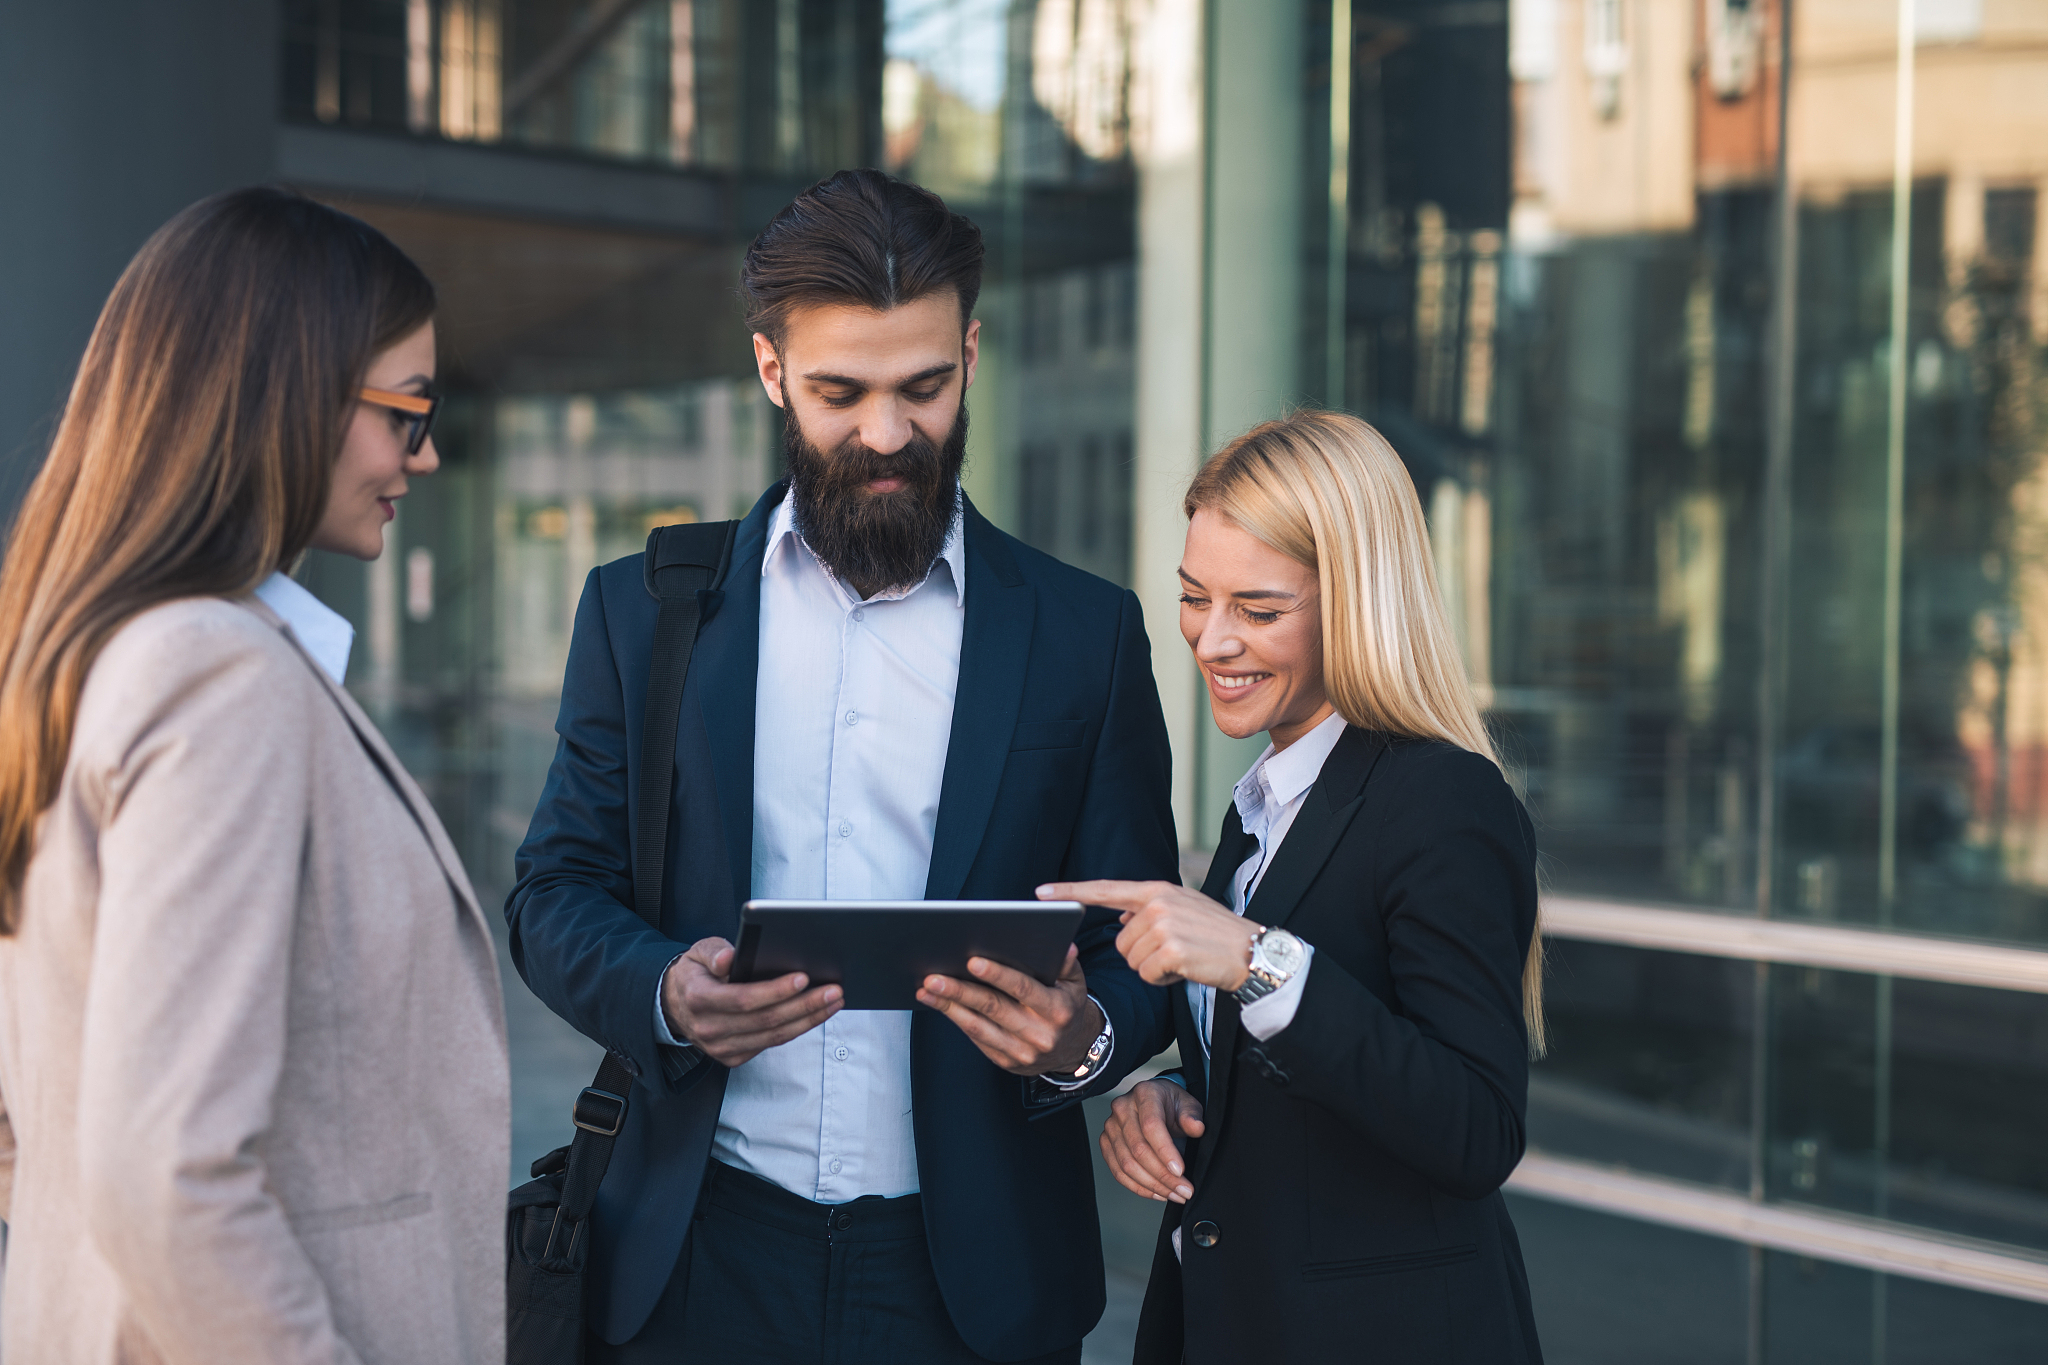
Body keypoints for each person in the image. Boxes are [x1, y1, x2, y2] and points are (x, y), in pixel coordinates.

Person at [505, 167, 1178, 1365]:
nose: (885, 434)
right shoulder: (643, 614)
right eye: (839, 393)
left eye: (923, 387)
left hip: (972, 1281)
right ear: (771, 371)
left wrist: (1079, 1041)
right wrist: (665, 993)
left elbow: (1142, 942)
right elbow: (553, 891)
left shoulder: (1086, 634)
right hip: (691, 1257)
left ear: (970, 355)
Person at [0, 188, 509, 1364]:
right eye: (408, 411)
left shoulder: (89, 657)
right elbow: (164, 1178)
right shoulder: (214, 674)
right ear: (285, 391)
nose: (425, 455)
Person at [1042, 410, 1547, 1364]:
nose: (1212, 640)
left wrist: (1255, 962)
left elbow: (1477, 1128)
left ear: (1359, 602)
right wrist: (1173, 1096)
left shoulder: (1441, 797)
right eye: (1194, 597)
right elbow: (1313, 1070)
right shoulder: (1268, 808)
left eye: (1260, 610)